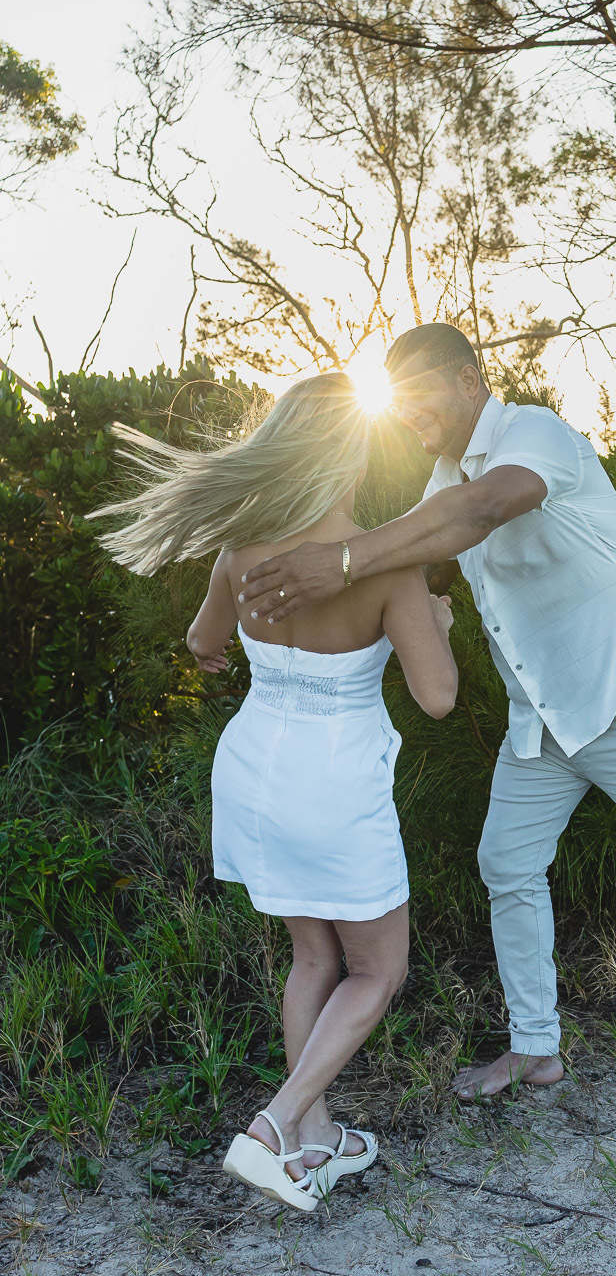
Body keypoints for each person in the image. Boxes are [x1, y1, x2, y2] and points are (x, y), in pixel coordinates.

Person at [237, 325, 616, 1154]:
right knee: (506, 865)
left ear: (466, 378)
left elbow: (481, 511)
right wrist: (306, 572)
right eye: (395, 403)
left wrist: (341, 560)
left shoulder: (534, 433)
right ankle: (535, 1048)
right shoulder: (441, 483)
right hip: (544, 723)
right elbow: (420, 558)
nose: (408, 416)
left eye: (418, 395)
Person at [88, 373, 457, 1209]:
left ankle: (316, 1141)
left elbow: (201, 642)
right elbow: (437, 698)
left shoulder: (240, 550)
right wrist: (433, 627)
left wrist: (235, 651)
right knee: (376, 969)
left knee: (312, 954)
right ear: (355, 454)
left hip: (256, 767)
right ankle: (277, 1124)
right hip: (335, 779)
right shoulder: (387, 567)